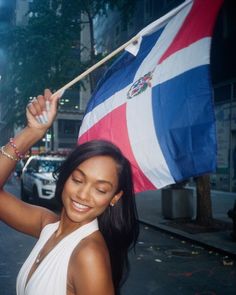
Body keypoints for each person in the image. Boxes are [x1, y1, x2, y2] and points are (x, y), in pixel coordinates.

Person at [0, 89, 139, 295]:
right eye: (77, 179)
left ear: (114, 197)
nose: (83, 194)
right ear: (65, 178)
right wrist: (33, 132)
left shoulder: (88, 255)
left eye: (100, 189)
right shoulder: (48, 226)